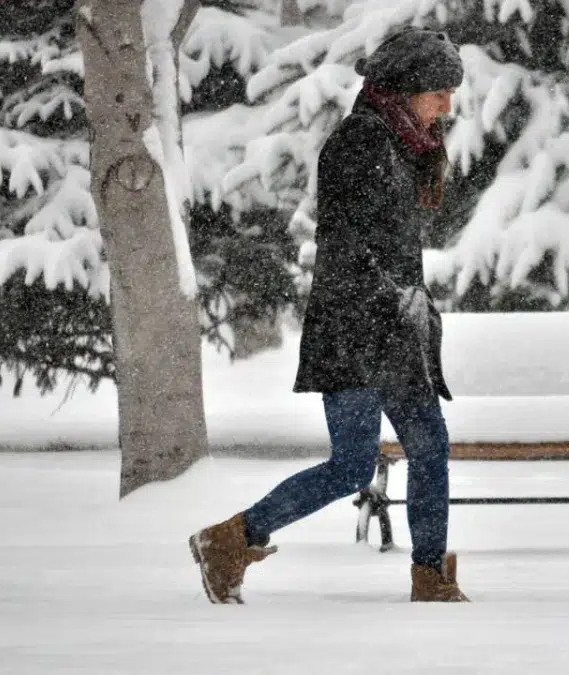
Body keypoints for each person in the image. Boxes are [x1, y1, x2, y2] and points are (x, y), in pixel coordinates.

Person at [188, 28, 468, 604]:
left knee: (428, 446)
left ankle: (430, 577)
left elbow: (392, 239)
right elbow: (351, 243)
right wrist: (394, 293)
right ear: (406, 88)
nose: (447, 104)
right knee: (351, 466)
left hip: (392, 324)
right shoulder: (360, 143)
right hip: (356, 329)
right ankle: (231, 539)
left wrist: (408, 298)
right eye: (437, 91)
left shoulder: (400, 142)